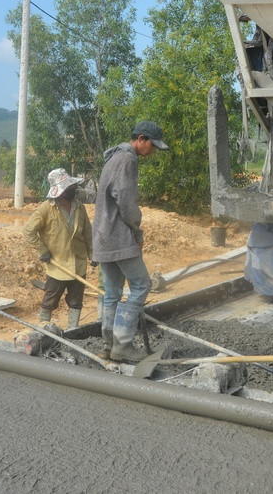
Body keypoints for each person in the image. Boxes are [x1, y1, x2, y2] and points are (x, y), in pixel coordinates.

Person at [92, 120, 169, 363]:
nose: (153, 151)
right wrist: (136, 229)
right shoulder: (128, 160)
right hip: (118, 235)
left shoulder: (113, 158)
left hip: (102, 237)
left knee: (112, 291)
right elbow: (125, 200)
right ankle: (123, 344)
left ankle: (107, 344)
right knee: (141, 285)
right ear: (141, 139)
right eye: (152, 145)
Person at [23, 168, 93, 330]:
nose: (73, 189)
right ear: (60, 191)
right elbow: (28, 231)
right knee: (50, 300)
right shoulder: (46, 209)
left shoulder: (79, 207)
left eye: (72, 186)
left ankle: (72, 330)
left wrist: (92, 253)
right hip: (58, 266)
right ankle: (42, 330)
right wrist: (42, 250)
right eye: (69, 187)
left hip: (78, 263)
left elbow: (87, 231)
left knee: (76, 301)